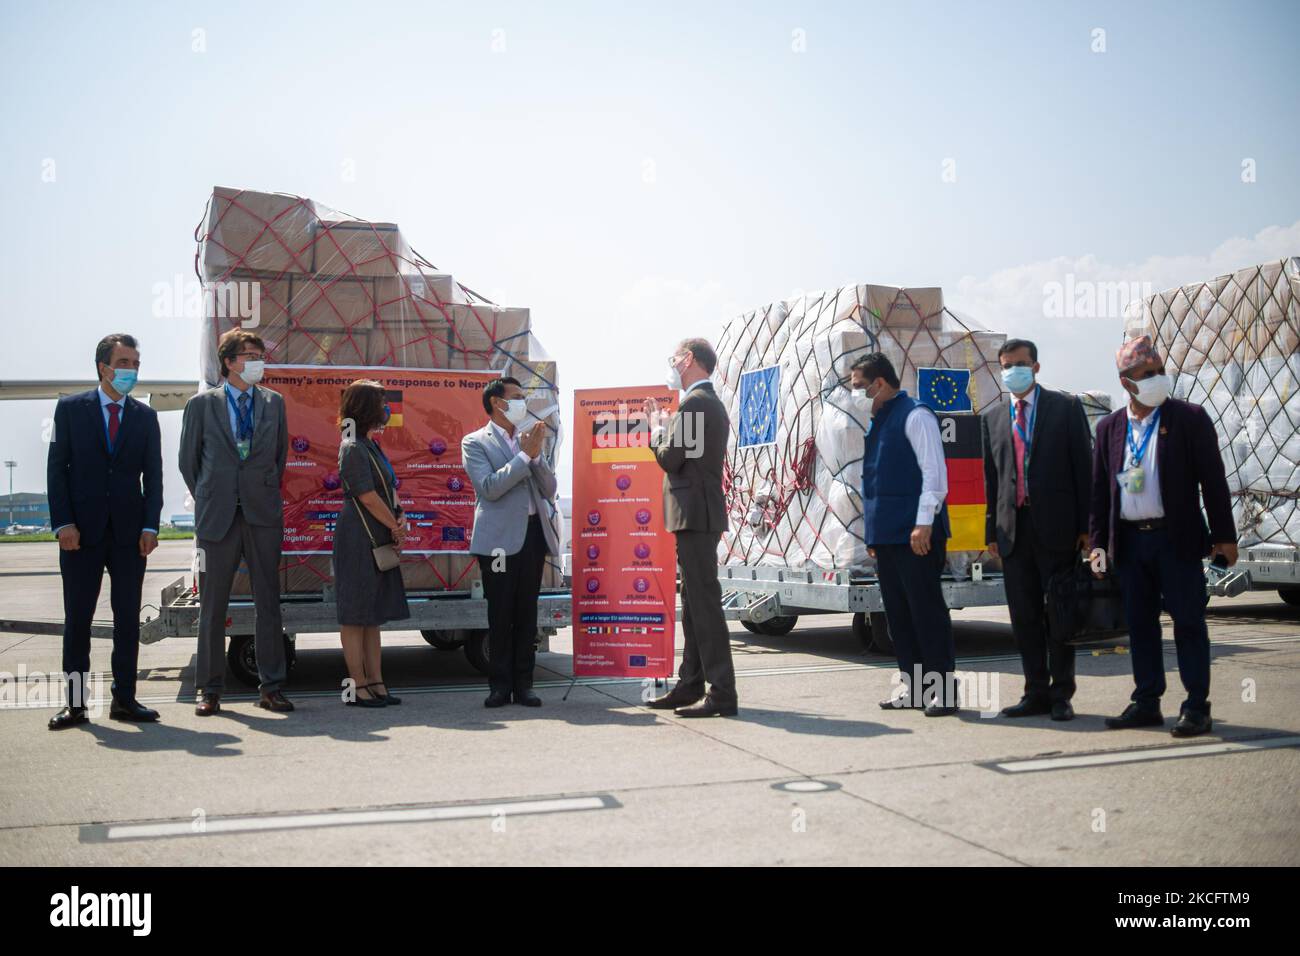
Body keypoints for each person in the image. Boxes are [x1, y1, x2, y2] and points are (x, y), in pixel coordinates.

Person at [1090, 335, 1236, 737]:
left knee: (1189, 623)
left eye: (1159, 371)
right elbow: (1101, 490)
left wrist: (1225, 535)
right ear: (1126, 382)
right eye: (1147, 374)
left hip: (1177, 540)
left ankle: (1196, 706)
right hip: (1131, 542)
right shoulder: (1109, 428)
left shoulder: (1189, 418)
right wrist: (1098, 543)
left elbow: (1214, 481)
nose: (1157, 379)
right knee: (1140, 625)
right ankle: (1147, 701)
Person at [46, 334, 162, 730]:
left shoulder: (146, 417)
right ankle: (76, 705)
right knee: (77, 620)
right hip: (80, 535)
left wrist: (151, 525)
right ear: (103, 367)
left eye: (135, 363)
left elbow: (155, 477)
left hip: (130, 537)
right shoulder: (69, 410)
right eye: (125, 362)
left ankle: (125, 700)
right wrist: (63, 523)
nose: (131, 370)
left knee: (127, 621)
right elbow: (56, 471)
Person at [179, 329, 292, 716]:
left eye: (259, 353)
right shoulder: (201, 405)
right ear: (228, 362)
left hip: (261, 514)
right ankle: (209, 689)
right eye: (248, 354)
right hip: (217, 517)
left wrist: (253, 490)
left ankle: (271, 685)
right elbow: (188, 463)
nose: (257, 360)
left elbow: (279, 458)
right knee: (213, 605)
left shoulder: (274, 403)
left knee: (268, 604)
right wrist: (215, 493)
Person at [981, 338, 1092, 721]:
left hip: (1058, 529)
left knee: (1059, 614)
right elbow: (991, 480)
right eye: (1006, 365)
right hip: (1014, 532)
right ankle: (1034, 692)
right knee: (1024, 616)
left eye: (1020, 364)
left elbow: (1084, 468)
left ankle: (1062, 694)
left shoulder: (1065, 408)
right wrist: (991, 531)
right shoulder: (993, 418)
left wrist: (1085, 526)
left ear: (1036, 367)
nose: (1013, 371)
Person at [851, 352, 958, 716]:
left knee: (926, 611)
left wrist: (924, 521)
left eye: (860, 387)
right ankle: (913, 688)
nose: (856, 395)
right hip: (887, 534)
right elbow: (876, 483)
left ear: (880, 383)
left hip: (917, 532)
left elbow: (934, 473)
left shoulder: (916, 415)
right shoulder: (878, 421)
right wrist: (873, 536)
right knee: (898, 615)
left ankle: (943, 691)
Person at [642, 338, 737, 718]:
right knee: (696, 606)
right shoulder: (702, 404)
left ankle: (722, 691)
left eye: (677, 357)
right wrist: (669, 427)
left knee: (704, 606)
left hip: (696, 515)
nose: (673, 365)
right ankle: (691, 683)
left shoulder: (696, 403)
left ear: (690, 360)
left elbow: (670, 459)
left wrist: (655, 428)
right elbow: (687, 454)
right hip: (698, 514)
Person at [462, 377, 560, 708]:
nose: (522, 403)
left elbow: (549, 488)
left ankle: (525, 684)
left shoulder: (529, 438)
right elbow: (489, 487)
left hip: (532, 536)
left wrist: (534, 458)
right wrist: (522, 458)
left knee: (527, 615)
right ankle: (500, 686)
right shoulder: (475, 442)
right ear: (496, 404)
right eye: (516, 397)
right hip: (499, 543)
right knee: (501, 615)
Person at [333, 380, 410, 707]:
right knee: (354, 614)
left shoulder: (369, 444)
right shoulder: (351, 446)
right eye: (381, 403)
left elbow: (386, 488)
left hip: (377, 529)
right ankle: (357, 686)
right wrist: (394, 526)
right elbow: (365, 495)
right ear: (365, 407)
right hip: (358, 535)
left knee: (372, 613)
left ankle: (376, 682)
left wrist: (400, 517)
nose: (386, 409)